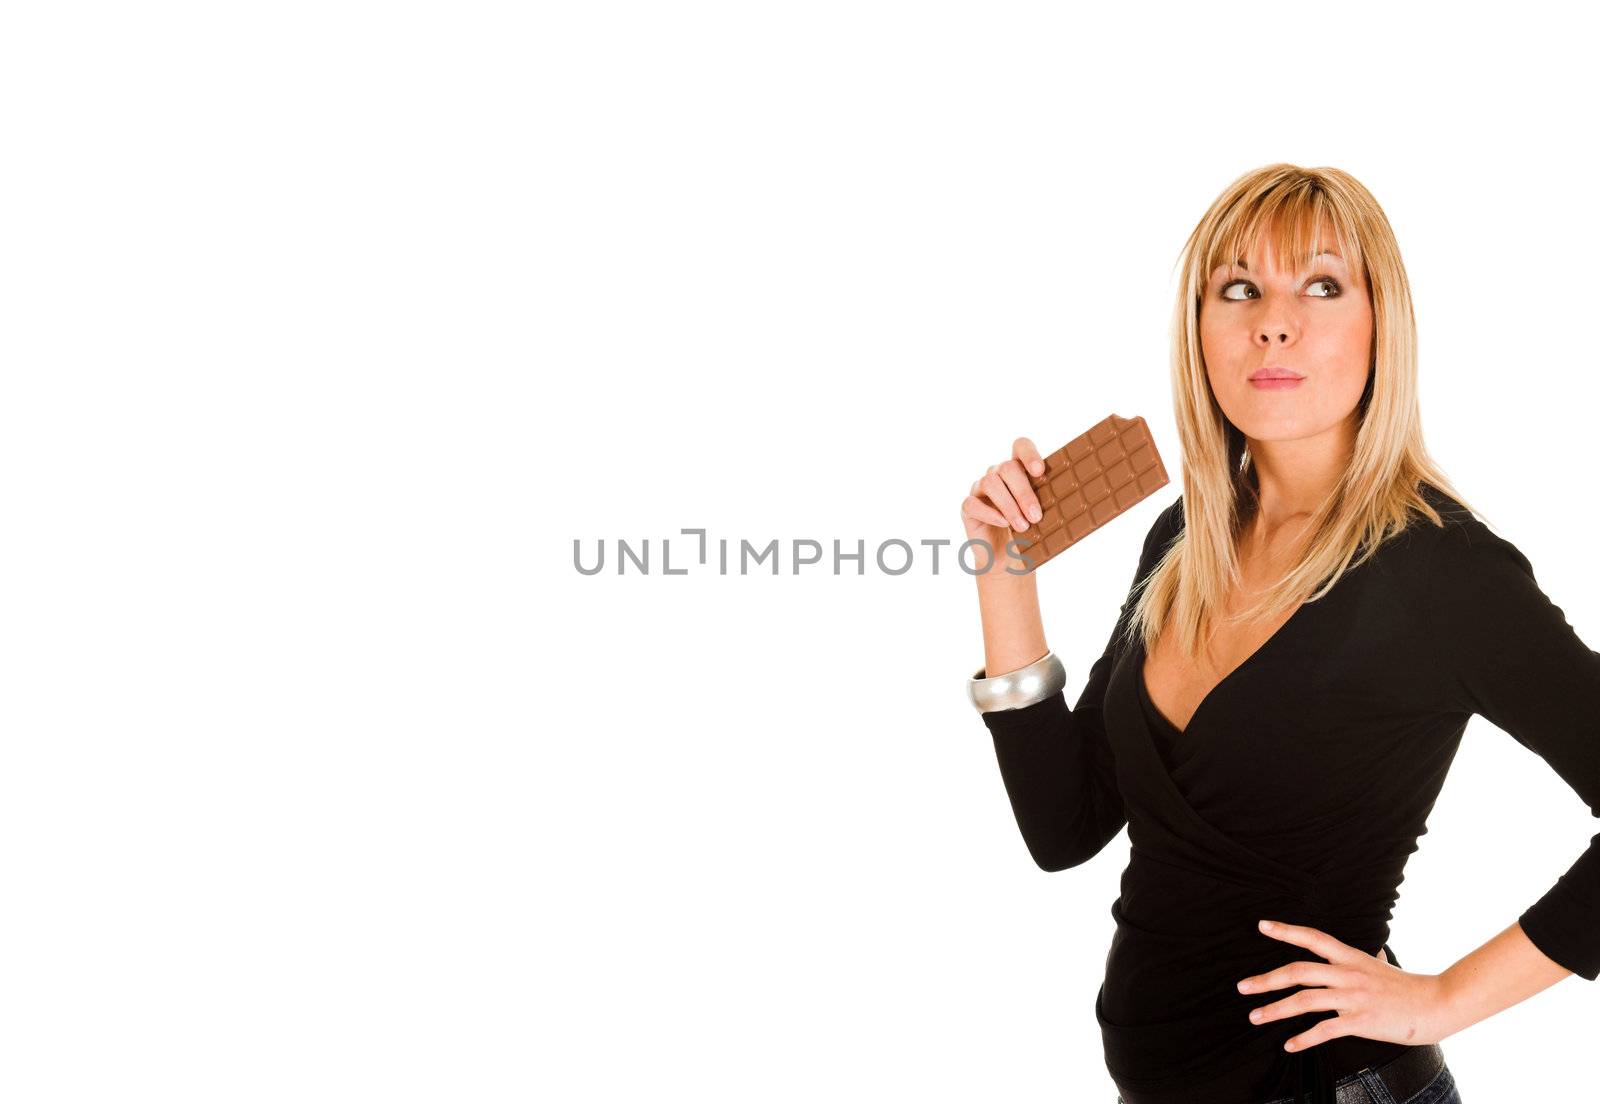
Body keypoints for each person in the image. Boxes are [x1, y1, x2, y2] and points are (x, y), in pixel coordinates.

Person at [959, 164, 1600, 1104]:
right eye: (1240, 288)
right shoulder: (1186, 539)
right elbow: (1067, 825)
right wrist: (1002, 570)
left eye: (1323, 285)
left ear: (1384, 325)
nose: (1274, 321)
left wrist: (1440, 1001)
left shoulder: (1442, 572)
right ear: (1201, 329)